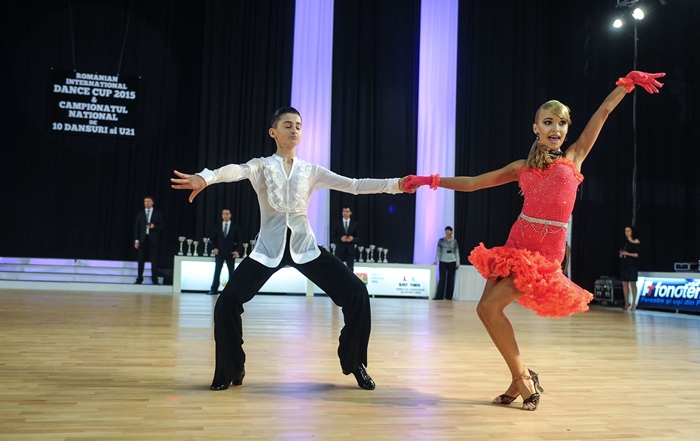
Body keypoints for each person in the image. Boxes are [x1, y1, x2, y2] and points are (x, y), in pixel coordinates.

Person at [405, 70, 664, 410]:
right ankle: (521, 377)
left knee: (489, 307)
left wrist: (625, 85)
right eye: (548, 122)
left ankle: (525, 381)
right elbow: (474, 183)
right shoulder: (522, 167)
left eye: (562, 123)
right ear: (536, 128)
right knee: (485, 311)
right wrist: (429, 180)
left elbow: (602, 113)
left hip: (544, 254)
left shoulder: (574, 158)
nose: (556, 128)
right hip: (516, 244)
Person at [171, 106, 410, 391]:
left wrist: (397, 184)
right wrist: (206, 177)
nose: (294, 129)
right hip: (267, 251)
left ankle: (354, 362)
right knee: (227, 303)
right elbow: (235, 170)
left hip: (305, 247)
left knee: (357, 293)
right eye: (287, 125)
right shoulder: (261, 166)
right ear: (273, 132)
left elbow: (355, 185)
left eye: (298, 125)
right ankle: (232, 368)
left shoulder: (311, 170)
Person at [208, 209, 241, 295]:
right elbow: (213, 239)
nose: (225, 215)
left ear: (230, 215)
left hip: (231, 253)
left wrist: (237, 251)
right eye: (223, 214)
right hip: (220, 252)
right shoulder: (217, 226)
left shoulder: (235, 226)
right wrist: (214, 248)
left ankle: (232, 291)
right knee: (217, 271)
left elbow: (239, 240)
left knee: (231, 272)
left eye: (227, 214)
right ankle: (214, 289)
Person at [134, 196, 164, 284]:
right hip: (143, 239)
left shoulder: (157, 214)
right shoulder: (141, 214)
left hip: (153, 240)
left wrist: (154, 226)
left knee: (154, 260)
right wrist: (136, 240)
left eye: (148, 201)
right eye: (145, 201)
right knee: (141, 260)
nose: (146, 203)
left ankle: (155, 279)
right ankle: (139, 278)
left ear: (152, 202)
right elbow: (137, 228)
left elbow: (162, 226)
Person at [433, 226, 460, 300]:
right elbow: (438, 251)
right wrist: (436, 261)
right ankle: (439, 296)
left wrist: (458, 262)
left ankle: (449, 296)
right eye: (446, 230)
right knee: (442, 279)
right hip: (443, 261)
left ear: (451, 232)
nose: (447, 231)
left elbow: (457, 252)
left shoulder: (454, 241)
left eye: (449, 230)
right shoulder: (441, 241)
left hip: (452, 261)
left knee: (450, 279)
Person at [330, 206, 359, 271]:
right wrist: (340, 239)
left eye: (347, 211)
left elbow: (358, 237)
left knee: (350, 270)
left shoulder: (354, 224)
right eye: (343, 211)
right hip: (340, 251)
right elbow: (332, 237)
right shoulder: (337, 224)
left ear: (350, 213)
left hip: (350, 251)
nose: (345, 213)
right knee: (338, 269)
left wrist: (353, 239)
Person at [619, 226, 641, 311]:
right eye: (626, 231)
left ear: (632, 231)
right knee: (624, 283)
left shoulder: (636, 241)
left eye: (629, 231)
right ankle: (626, 302)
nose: (627, 233)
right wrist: (622, 254)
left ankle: (634, 303)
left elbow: (637, 255)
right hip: (624, 264)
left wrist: (627, 253)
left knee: (632, 283)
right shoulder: (625, 241)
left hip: (632, 264)